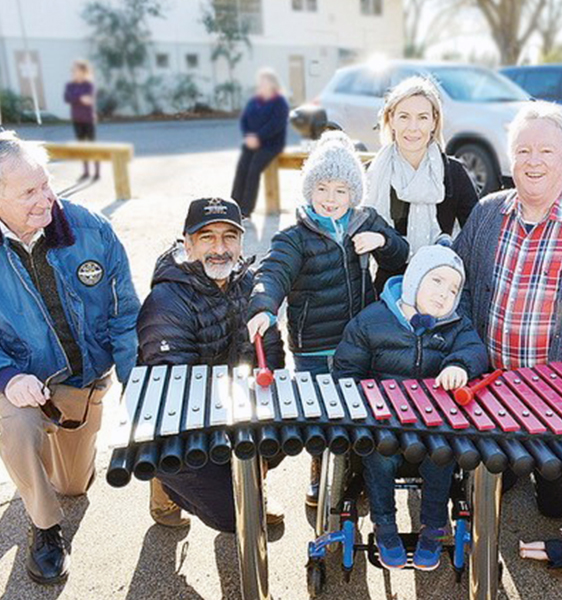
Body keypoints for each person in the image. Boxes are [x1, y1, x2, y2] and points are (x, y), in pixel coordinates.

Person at [0, 131, 139, 583]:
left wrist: (138, 386)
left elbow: (125, 315)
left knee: (73, 485)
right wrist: (6, 376)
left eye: (45, 183)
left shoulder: (90, 228)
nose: (46, 200)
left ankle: (54, 475)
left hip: (84, 380)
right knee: (14, 424)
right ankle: (44, 527)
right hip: (24, 380)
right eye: (28, 192)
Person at [247, 131, 409, 507]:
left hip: (360, 341)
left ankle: (356, 469)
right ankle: (320, 467)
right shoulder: (296, 236)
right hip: (315, 345)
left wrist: (382, 243)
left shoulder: (367, 221)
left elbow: (401, 254)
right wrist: (263, 306)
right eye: (322, 188)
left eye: (340, 190)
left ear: (354, 193)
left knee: (360, 410)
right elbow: (273, 273)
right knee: (320, 413)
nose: (330, 199)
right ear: (309, 191)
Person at [454, 101, 562, 518]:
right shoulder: (486, 213)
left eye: (546, 151)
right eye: (523, 150)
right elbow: (457, 290)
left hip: (560, 403)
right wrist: (467, 356)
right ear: (509, 157)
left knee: (554, 508)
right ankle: (510, 458)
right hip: (491, 391)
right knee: (487, 490)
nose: (533, 161)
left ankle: (551, 470)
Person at [333, 245, 488, 570]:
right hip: (385, 424)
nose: (444, 294)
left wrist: (460, 364)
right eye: (436, 281)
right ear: (415, 279)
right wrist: (365, 402)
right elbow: (346, 372)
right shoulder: (372, 320)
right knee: (378, 457)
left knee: (443, 456)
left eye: (453, 289)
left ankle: (433, 526)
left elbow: (475, 349)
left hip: (432, 427)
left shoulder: (456, 325)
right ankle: (385, 526)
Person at [137, 197, 286, 533]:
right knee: (236, 516)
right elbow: (177, 390)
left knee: (285, 432)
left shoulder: (250, 284)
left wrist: (268, 408)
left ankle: (251, 484)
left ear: (241, 241)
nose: (220, 248)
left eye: (229, 236)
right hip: (173, 418)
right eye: (207, 237)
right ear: (187, 243)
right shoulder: (166, 302)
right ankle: (166, 487)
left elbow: (273, 352)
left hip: (229, 400)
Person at [364, 76, 478, 292]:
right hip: (383, 293)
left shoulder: (453, 174)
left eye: (422, 117)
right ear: (391, 119)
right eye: (404, 117)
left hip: (439, 295)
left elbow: (476, 238)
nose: (413, 128)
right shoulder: (372, 174)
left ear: (434, 121)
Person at [231, 68, 288, 218]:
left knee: (253, 170)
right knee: (241, 169)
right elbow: (244, 120)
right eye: (260, 81)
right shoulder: (254, 101)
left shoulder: (279, 102)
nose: (261, 84)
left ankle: (245, 210)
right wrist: (248, 136)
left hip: (270, 144)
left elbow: (276, 125)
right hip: (251, 142)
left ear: (272, 84)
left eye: (264, 81)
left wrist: (258, 137)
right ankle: (233, 206)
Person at [64, 59, 99, 180]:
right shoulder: (70, 85)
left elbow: (89, 100)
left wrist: (76, 97)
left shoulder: (88, 85)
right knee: (82, 146)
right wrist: (80, 98)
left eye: (77, 70)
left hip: (88, 119)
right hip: (77, 119)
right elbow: (67, 99)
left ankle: (97, 171)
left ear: (83, 71)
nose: (74, 72)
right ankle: (86, 171)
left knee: (92, 146)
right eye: (73, 70)